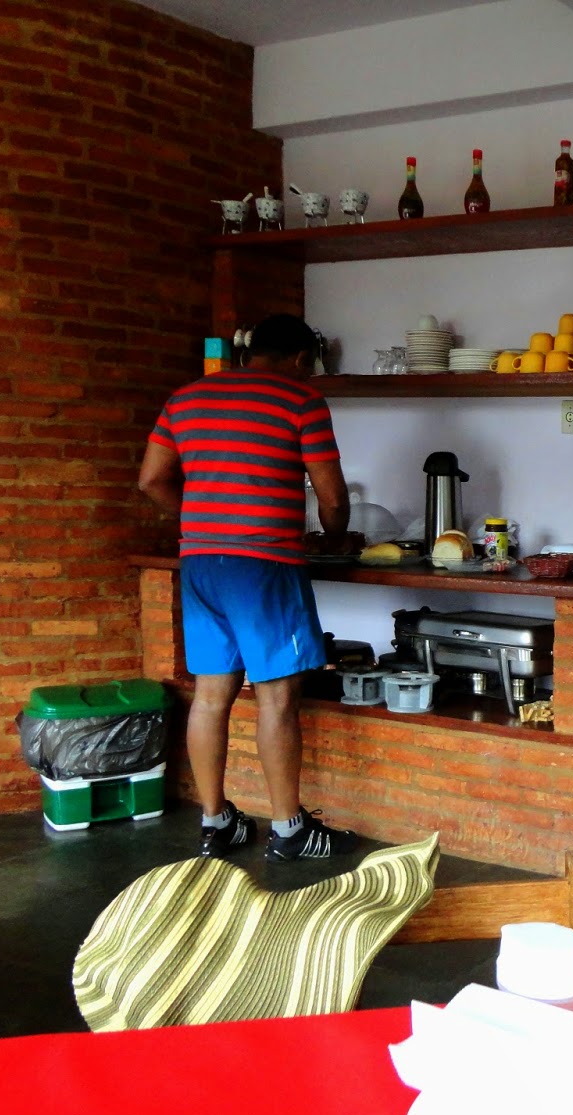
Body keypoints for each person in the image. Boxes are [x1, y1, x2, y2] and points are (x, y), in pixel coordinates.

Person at [138, 313, 360, 861]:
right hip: (265, 565)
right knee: (277, 698)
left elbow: (151, 479)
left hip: (201, 564)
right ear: (302, 358)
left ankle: (216, 824)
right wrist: (335, 538)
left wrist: (200, 521)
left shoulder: (186, 398)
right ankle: (289, 831)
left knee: (211, 696)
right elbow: (332, 497)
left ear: (248, 351)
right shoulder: (301, 400)